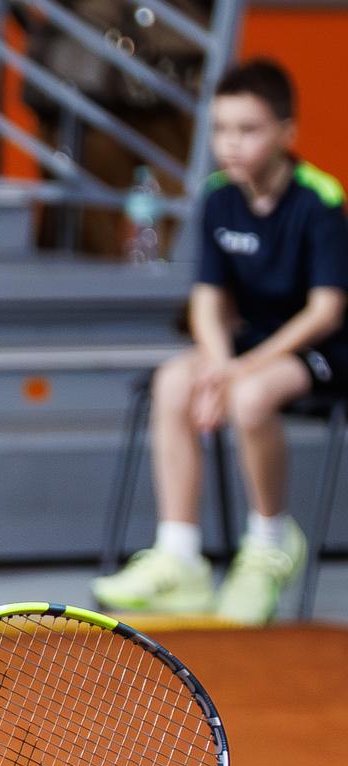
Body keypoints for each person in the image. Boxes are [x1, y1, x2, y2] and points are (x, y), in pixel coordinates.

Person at [92, 59, 346, 625]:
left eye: (248, 129)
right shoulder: (217, 198)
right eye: (221, 129)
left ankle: (270, 543)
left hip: (320, 350)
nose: (231, 143)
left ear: (287, 133)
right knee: (172, 381)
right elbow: (207, 299)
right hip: (246, 345)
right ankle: (180, 554)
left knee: (250, 398)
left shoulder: (319, 201)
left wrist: (234, 372)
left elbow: (325, 311)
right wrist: (216, 363)